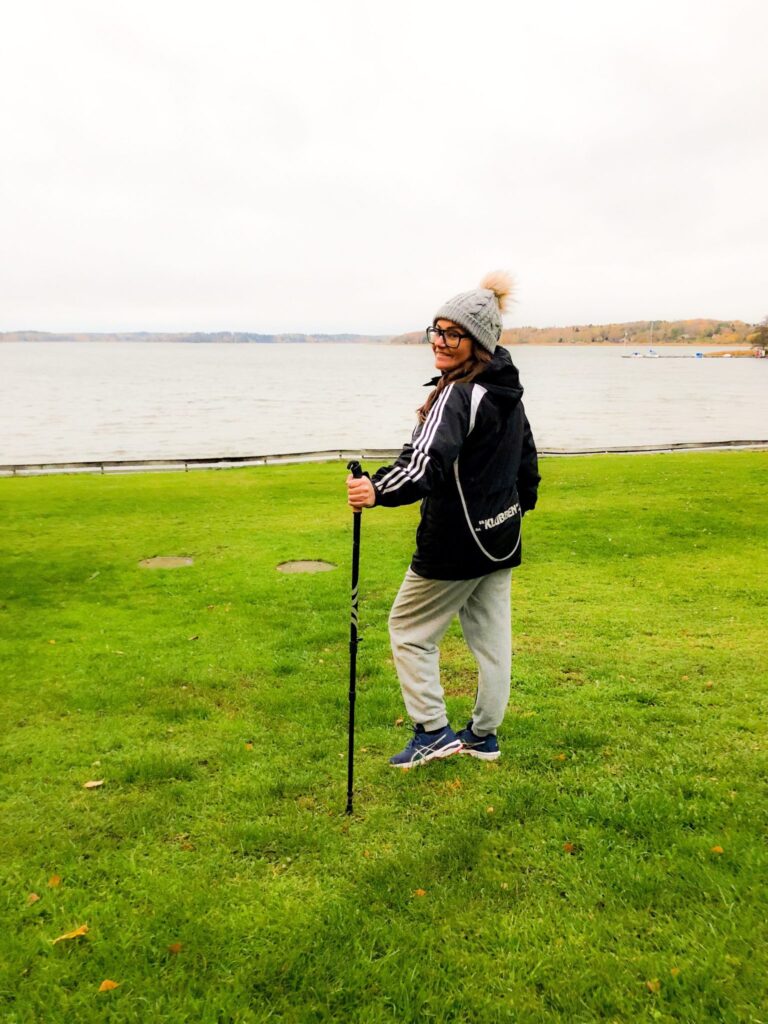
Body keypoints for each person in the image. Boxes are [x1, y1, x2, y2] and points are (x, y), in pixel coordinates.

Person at [346, 271, 540, 768]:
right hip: (501, 536)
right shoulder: (506, 391)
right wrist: (516, 509)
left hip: (454, 542)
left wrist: (376, 490)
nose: (440, 341)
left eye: (454, 334)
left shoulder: (460, 394)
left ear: (478, 343)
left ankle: (433, 732)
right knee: (492, 642)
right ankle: (483, 736)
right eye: (437, 330)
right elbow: (527, 464)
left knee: (409, 630)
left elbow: (424, 462)